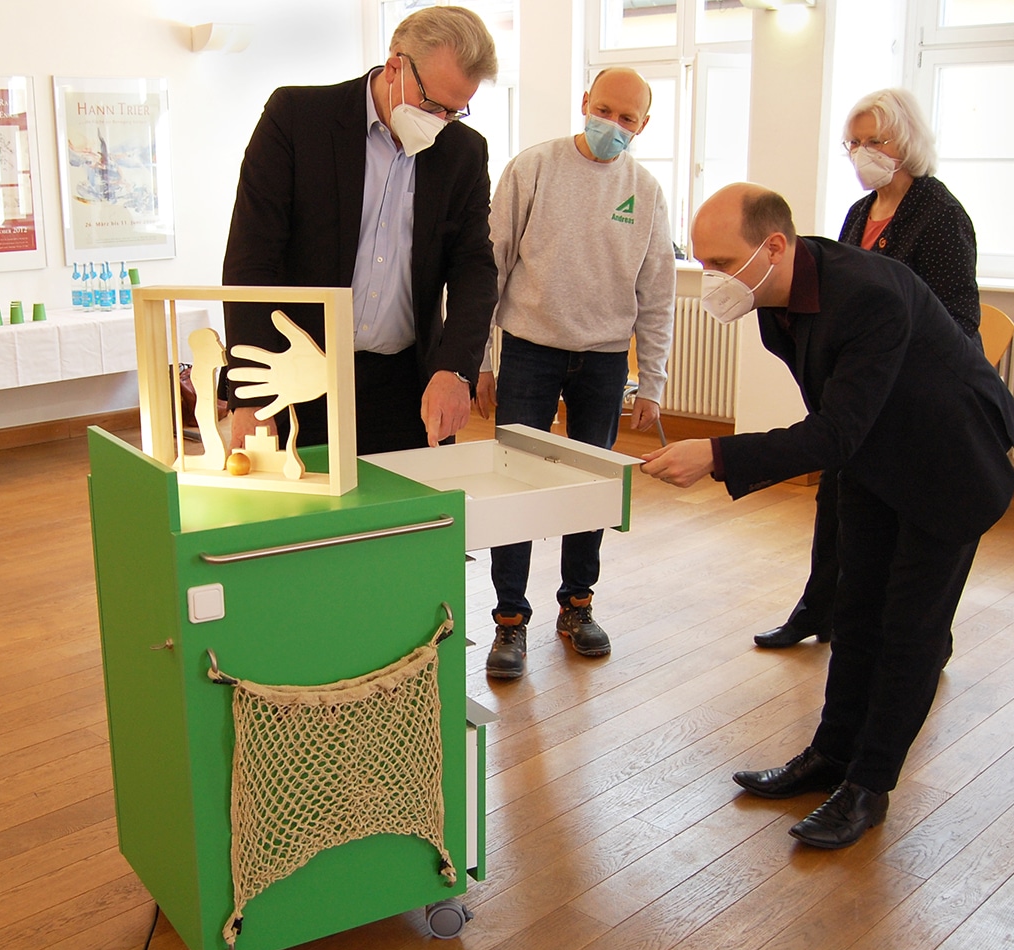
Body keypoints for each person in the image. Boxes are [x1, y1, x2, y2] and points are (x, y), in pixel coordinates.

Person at [641, 184, 1014, 848]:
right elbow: (842, 419)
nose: (712, 281)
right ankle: (829, 756)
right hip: (877, 455)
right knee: (855, 610)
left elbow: (835, 429)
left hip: (951, 463)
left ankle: (869, 787)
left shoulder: (867, 292)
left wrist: (718, 453)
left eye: (722, 263)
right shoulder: (772, 300)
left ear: (775, 246)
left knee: (910, 631)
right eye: (703, 264)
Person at [753, 87, 982, 652]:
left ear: (906, 142)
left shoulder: (941, 215)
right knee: (834, 496)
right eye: (852, 143)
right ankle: (820, 607)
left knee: (896, 525)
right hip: (862, 386)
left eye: (872, 141)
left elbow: (958, 320)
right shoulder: (860, 212)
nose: (860, 153)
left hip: (913, 394)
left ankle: (917, 634)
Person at [221, 6, 499, 455]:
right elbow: (252, 261)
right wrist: (252, 398)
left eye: (455, 110)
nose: (441, 121)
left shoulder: (464, 152)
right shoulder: (297, 119)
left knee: (407, 521)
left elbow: (474, 268)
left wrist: (457, 369)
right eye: (432, 105)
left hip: (406, 385)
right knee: (300, 521)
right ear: (395, 67)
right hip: (296, 373)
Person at [475, 67, 676, 679]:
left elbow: (658, 292)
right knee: (513, 487)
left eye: (629, 118)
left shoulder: (644, 191)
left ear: (644, 125)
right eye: (606, 109)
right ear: (585, 102)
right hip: (531, 349)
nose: (614, 125)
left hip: (606, 358)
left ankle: (577, 607)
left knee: (593, 490)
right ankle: (510, 621)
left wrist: (655, 383)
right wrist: (481, 360)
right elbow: (491, 266)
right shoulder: (533, 168)